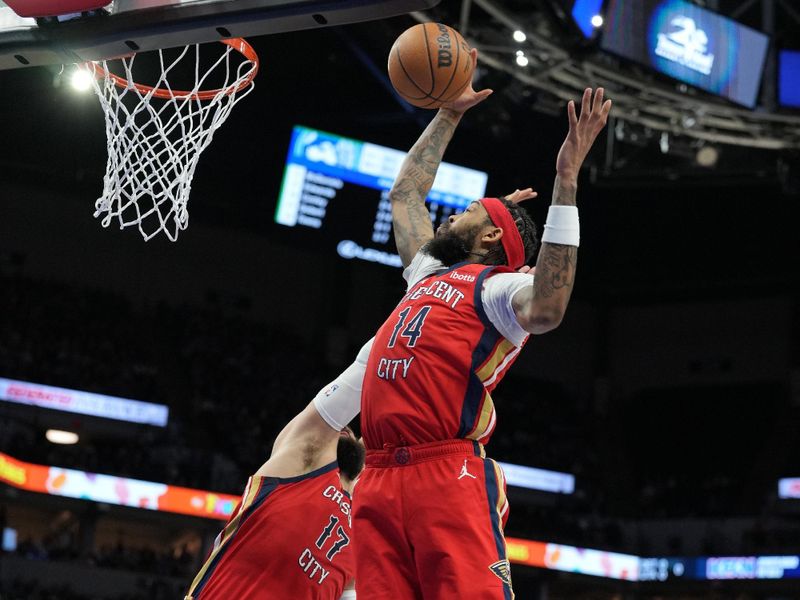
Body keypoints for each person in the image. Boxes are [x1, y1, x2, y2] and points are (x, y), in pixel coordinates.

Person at [352, 48, 612, 600]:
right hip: (376, 475)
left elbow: (549, 305)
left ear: (490, 238)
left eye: (469, 210)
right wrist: (448, 115)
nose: (451, 213)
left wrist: (566, 180)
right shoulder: (426, 273)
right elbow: (405, 194)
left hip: (444, 474)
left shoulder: (496, 291)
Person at [184, 340, 371, 600]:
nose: (348, 429)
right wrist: (418, 303)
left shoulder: (363, 534)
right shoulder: (302, 460)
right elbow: (364, 368)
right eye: (343, 428)